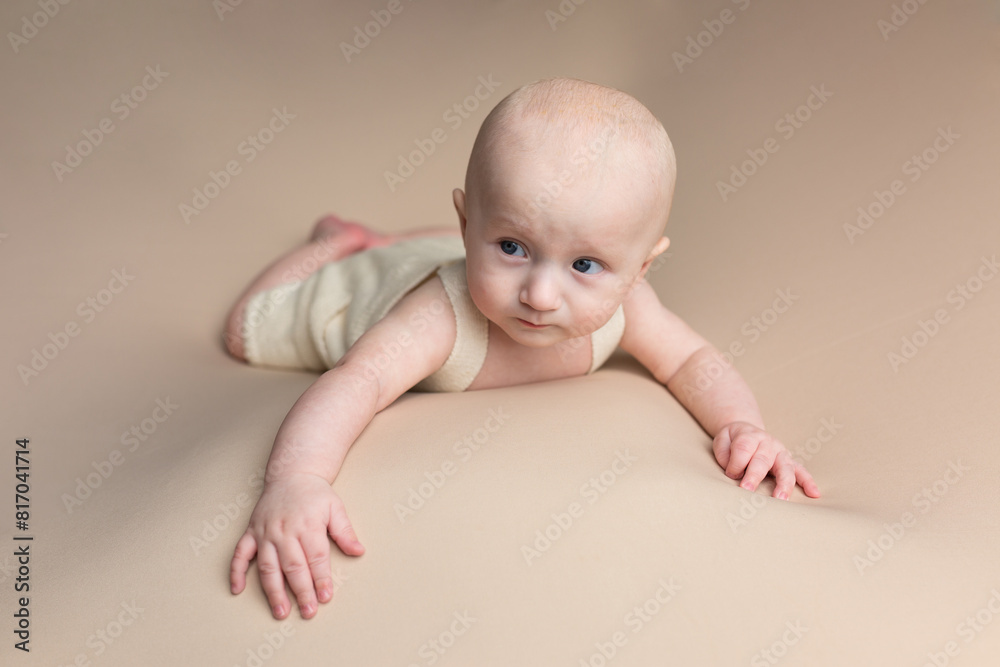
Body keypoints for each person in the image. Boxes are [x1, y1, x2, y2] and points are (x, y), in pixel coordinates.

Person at [225, 77, 821, 621]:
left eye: (585, 264)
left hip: (446, 254)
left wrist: (743, 425)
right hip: (351, 297)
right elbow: (359, 381)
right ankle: (338, 243)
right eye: (512, 246)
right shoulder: (437, 319)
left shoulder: (631, 306)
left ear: (641, 269)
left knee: (467, 256)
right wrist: (297, 479)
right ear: (466, 223)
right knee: (244, 330)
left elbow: (693, 361)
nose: (539, 294)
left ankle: (412, 242)